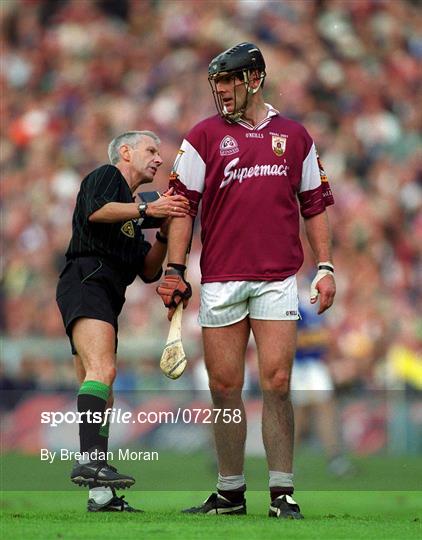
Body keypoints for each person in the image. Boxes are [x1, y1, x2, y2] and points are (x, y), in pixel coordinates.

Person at [157, 43, 335, 519]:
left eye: (227, 81)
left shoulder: (295, 136)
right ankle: (230, 492)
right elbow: (182, 207)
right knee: (224, 385)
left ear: (253, 78)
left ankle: (282, 492)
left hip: (278, 277)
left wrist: (325, 266)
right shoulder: (202, 136)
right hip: (220, 278)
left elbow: (314, 205)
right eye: (215, 83)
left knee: (277, 381)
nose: (220, 91)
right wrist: (175, 270)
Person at [56, 130, 189, 512]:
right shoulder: (107, 176)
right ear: (125, 152)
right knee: (104, 371)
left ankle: (99, 495)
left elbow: (148, 270)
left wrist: (162, 234)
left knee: (100, 387)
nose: (158, 159)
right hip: (87, 279)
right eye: (151, 150)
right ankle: (90, 463)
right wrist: (150, 211)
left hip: (104, 292)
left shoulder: (130, 215)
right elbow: (95, 211)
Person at [291, 299, 355, 477]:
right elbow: (291, 337)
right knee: (300, 416)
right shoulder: (293, 299)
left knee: (326, 408)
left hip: (315, 365)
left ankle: (335, 458)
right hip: (298, 364)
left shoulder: (314, 299)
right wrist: (318, 338)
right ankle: (286, 462)